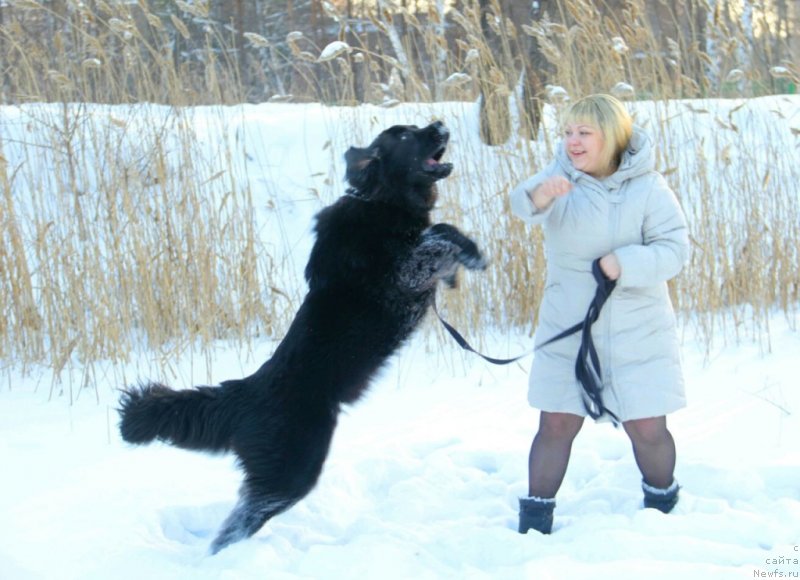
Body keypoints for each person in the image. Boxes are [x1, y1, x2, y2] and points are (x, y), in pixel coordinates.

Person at [509, 93, 690, 535]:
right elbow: (523, 204)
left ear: (610, 136)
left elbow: (674, 250)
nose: (572, 141)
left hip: (639, 330)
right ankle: (534, 523)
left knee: (647, 428)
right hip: (568, 326)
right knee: (555, 423)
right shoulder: (560, 176)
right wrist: (541, 194)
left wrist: (625, 263)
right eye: (568, 132)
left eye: (584, 133)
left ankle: (663, 506)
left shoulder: (648, 188)